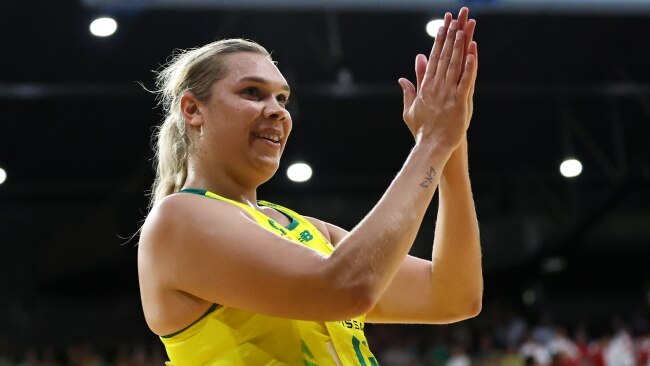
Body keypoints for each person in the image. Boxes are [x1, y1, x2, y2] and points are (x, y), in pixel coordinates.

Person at [138, 7, 482, 365]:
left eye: (282, 98)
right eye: (253, 92)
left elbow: (454, 295)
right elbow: (347, 287)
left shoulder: (308, 230)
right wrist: (431, 144)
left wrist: (451, 146)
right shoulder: (178, 219)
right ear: (193, 109)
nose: (277, 111)